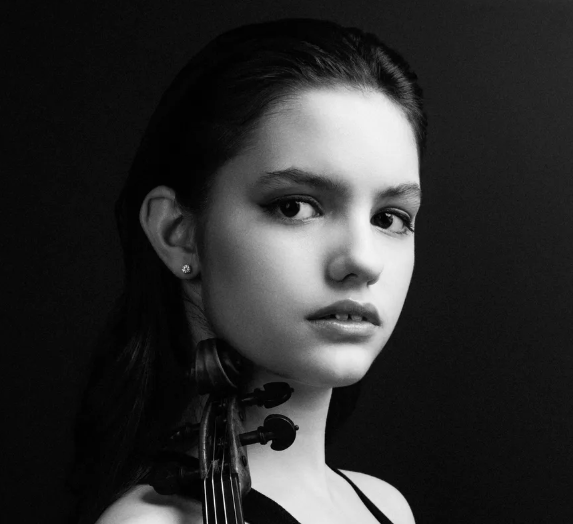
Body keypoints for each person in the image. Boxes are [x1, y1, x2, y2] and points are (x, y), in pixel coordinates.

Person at [68, 17, 426, 524]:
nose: (363, 261)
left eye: (390, 218)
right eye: (295, 207)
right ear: (178, 232)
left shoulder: (386, 507)